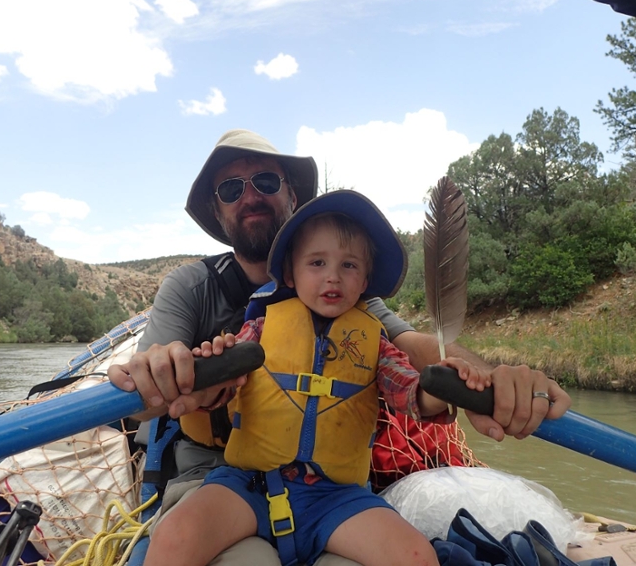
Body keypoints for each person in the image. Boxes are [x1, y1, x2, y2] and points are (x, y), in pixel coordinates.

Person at [108, 129, 571, 565]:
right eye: (230, 188)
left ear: (291, 194)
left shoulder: (361, 313)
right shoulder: (197, 289)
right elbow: (194, 385)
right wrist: (189, 381)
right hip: (230, 478)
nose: (248, 195)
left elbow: (417, 364)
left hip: (332, 494)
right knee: (189, 544)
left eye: (265, 180)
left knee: (414, 556)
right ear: (218, 208)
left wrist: (481, 381)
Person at [144, 190, 491, 566]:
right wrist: (208, 373)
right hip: (249, 483)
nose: (333, 277)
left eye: (349, 266)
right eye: (317, 262)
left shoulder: (374, 342)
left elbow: (407, 392)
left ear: (365, 281)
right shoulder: (258, 329)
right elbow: (225, 388)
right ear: (290, 273)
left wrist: (439, 389)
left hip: (335, 497)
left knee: (416, 555)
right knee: (175, 535)